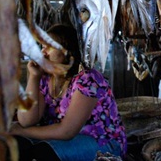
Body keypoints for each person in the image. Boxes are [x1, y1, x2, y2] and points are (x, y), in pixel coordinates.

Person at [10, 24, 126, 161]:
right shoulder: (45, 78)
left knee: (43, 152)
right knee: (17, 145)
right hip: (59, 139)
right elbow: (26, 120)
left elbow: (66, 131)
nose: (43, 52)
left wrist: (21, 131)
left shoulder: (88, 79)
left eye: (49, 46)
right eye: (42, 46)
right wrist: (34, 77)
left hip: (102, 142)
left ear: (68, 52)